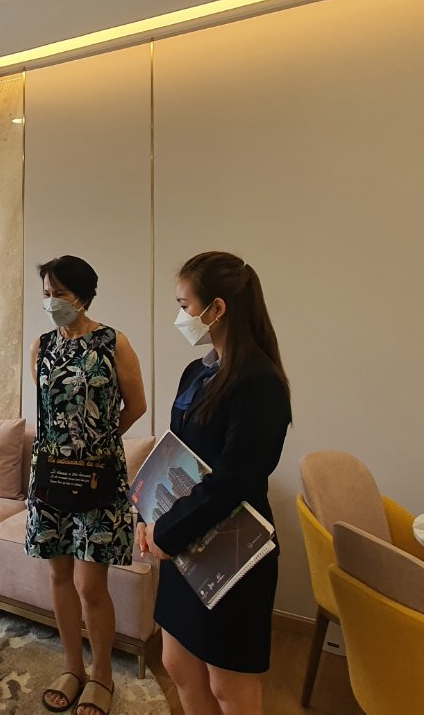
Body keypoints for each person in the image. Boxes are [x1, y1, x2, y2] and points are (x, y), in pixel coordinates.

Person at [138, 251, 292, 715]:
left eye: (184, 305)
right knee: (178, 664)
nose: (180, 316)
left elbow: (233, 480)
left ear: (217, 308)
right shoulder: (197, 371)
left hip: (231, 550)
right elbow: (175, 455)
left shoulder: (260, 382)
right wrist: (148, 515)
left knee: (229, 686)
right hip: (183, 544)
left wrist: (166, 530)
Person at [27, 255, 148, 715]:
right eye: (46, 293)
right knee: (58, 575)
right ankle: (73, 668)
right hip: (50, 475)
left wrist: (99, 441)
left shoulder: (114, 342)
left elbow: (135, 405)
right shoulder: (41, 346)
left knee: (89, 584)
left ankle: (102, 674)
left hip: (98, 477)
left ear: (82, 294)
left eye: (58, 293)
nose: (50, 302)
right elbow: (47, 410)